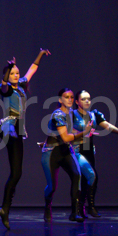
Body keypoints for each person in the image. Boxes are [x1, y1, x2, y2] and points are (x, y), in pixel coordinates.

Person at [0, 48, 51, 230]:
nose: (16, 75)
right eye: (12, 73)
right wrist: (8, 68)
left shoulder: (20, 85)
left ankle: (5, 209)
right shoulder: (4, 89)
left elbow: (32, 69)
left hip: (18, 129)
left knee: (17, 173)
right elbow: (4, 82)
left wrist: (40, 54)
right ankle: (4, 208)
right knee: (16, 169)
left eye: (17, 73)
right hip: (9, 126)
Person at [73, 90, 118, 217]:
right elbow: (64, 132)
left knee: (90, 178)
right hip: (76, 150)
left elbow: (107, 126)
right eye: (83, 99)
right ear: (77, 102)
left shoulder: (94, 115)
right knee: (88, 177)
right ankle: (83, 207)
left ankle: (87, 207)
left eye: (88, 98)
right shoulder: (72, 115)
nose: (87, 101)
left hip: (88, 149)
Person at [40, 88, 95, 223]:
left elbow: (71, 132)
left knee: (77, 175)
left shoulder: (71, 113)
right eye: (66, 97)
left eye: (71, 97)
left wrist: (85, 133)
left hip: (66, 150)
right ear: (60, 100)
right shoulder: (58, 114)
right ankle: (48, 205)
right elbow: (65, 137)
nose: (70, 99)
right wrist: (84, 133)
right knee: (52, 187)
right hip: (52, 152)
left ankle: (75, 212)